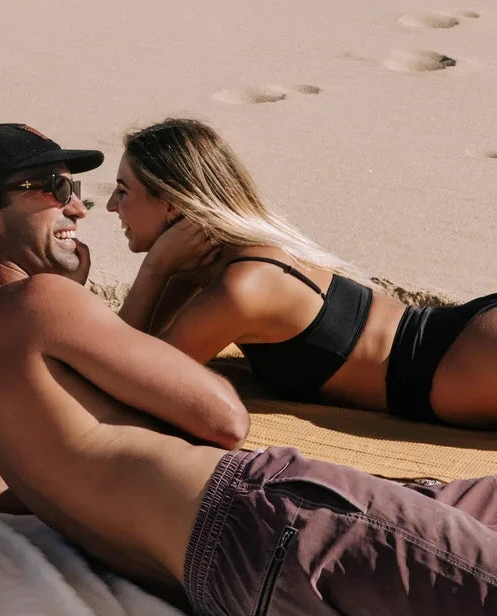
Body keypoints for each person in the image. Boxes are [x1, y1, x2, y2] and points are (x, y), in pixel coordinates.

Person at [0, 122, 497, 616]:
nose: (78, 208)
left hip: (221, 582)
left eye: (76, 187)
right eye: (52, 189)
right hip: (267, 523)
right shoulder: (43, 302)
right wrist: (128, 285)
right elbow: (223, 418)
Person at [107, 117, 497, 429]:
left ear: (173, 205)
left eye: (123, 191)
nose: (110, 206)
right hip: (459, 352)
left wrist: (153, 269)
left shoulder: (244, 287)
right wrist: (160, 269)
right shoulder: (205, 265)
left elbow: (135, 384)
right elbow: (119, 355)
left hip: (457, 363)